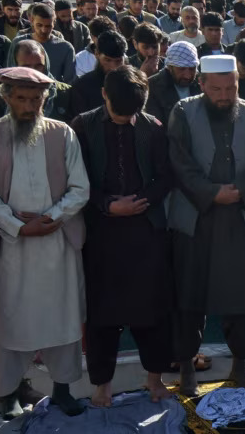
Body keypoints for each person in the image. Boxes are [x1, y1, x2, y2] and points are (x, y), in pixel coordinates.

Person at [0, 66, 90, 418]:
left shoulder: (62, 133)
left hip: (57, 243)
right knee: (9, 321)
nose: (29, 106)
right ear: (6, 97)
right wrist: (19, 227)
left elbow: (80, 187)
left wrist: (50, 218)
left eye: (36, 99)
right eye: (21, 99)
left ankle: (64, 390)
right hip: (11, 246)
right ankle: (7, 393)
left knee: (63, 319)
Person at [167, 54, 245, 394]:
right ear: (201, 84)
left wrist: (240, 191)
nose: (225, 95)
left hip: (240, 217)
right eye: (217, 89)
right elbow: (178, 162)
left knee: (242, 298)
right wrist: (212, 193)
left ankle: (239, 366)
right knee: (189, 295)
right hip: (197, 217)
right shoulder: (182, 113)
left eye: (232, 87)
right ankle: (186, 366)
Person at [70, 66, 174, 407]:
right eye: (119, 113)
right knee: (102, 315)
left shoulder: (153, 128)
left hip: (145, 234)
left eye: (131, 114)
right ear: (104, 95)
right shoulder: (82, 127)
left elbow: (164, 178)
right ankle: (102, 385)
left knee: (151, 310)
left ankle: (155, 379)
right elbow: (77, 180)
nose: (125, 119)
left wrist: (141, 202)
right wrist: (107, 205)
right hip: (101, 234)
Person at [0, 41, 73, 123]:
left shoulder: (65, 92)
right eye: (26, 66)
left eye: (38, 66)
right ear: (15, 66)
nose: (33, 72)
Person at [6, 3, 76, 84]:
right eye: (39, 25)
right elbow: (10, 74)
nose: (44, 30)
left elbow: (70, 82)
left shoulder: (66, 48)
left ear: (54, 23)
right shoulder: (18, 43)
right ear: (32, 20)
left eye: (48, 26)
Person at [71, 30, 127, 118]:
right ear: (96, 54)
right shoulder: (82, 86)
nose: (113, 67)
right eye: (108, 60)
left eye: (118, 61)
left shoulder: (132, 84)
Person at [145, 41, 200, 127]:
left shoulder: (202, 83)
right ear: (170, 67)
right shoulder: (152, 87)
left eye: (192, 69)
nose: (187, 76)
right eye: (181, 69)